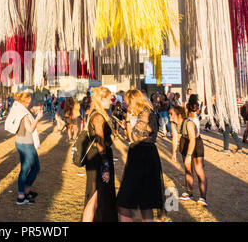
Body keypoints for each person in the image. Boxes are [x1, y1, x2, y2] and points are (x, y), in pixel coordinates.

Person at [117, 89, 164, 222]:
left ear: (134, 101)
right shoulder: (143, 113)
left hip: (143, 156)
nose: (126, 105)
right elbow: (130, 137)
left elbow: (134, 136)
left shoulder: (146, 113)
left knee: (126, 201)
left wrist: (127, 121)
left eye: (127, 102)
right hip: (142, 154)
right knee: (145, 202)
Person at [82, 87, 118, 222]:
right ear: (102, 99)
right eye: (110, 98)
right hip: (98, 158)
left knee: (97, 194)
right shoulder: (98, 116)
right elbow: (100, 141)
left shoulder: (97, 113)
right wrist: (105, 163)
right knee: (95, 194)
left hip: (98, 157)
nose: (111, 101)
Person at [5, 92, 43, 205]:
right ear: (24, 101)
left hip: (22, 142)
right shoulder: (22, 112)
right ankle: (21, 196)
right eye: (28, 101)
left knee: (34, 168)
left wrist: (32, 110)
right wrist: (38, 118)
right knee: (26, 169)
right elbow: (30, 129)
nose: (29, 103)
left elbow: (24, 114)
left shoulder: (17, 108)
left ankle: (25, 191)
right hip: (26, 144)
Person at [169, 106, 207, 206]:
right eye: (169, 113)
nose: (169, 116)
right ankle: (189, 192)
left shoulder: (189, 123)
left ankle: (202, 197)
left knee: (199, 170)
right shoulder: (173, 123)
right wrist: (173, 153)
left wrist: (189, 156)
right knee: (187, 169)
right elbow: (175, 138)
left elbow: (193, 141)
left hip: (196, 142)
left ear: (179, 115)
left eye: (171, 114)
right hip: (185, 141)